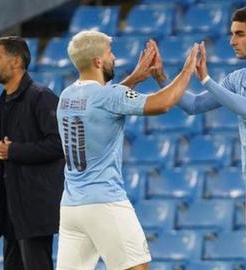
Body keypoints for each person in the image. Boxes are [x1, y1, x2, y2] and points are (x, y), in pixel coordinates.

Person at [151, 6, 246, 270]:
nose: (232, 41)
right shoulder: (239, 77)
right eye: (232, 34)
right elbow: (194, 106)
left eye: (239, 34)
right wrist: (163, 79)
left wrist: (207, 79)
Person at [55, 30, 199, 270]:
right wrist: (187, 71)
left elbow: (103, 102)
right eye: (110, 54)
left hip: (72, 207)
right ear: (98, 61)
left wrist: (134, 78)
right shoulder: (110, 96)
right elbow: (162, 104)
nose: (114, 58)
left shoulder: (67, 96)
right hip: (105, 202)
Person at [0, 36, 65, 269]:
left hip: (34, 210)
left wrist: (14, 151)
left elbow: (60, 144)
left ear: (16, 61)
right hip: (12, 209)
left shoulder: (41, 97)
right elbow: (14, 147)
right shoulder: (5, 99)